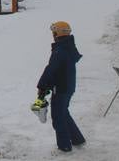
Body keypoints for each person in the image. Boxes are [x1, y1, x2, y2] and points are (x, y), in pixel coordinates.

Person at [36, 20, 86, 153]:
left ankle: (64, 147)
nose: (53, 34)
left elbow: (51, 69)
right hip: (68, 86)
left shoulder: (60, 50)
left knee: (58, 117)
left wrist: (42, 86)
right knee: (64, 113)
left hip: (61, 88)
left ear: (58, 33)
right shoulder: (68, 47)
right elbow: (57, 70)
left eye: (54, 32)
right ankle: (77, 139)